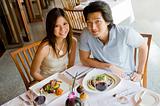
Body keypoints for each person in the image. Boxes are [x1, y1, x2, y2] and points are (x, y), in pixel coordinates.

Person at [79, 1, 148, 82]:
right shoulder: (86, 33)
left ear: (107, 21)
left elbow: (143, 47)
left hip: (126, 77)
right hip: (100, 74)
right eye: (89, 22)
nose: (93, 27)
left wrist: (140, 73)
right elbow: (84, 60)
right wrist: (108, 66)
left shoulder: (126, 33)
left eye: (98, 21)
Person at [31, 8, 77, 81]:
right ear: (51, 27)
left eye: (65, 23)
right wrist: (51, 83)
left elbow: (71, 65)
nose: (62, 29)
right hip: (46, 81)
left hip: (63, 79)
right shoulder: (45, 48)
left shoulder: (73, 41)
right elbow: (34, 73)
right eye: (56, 26)